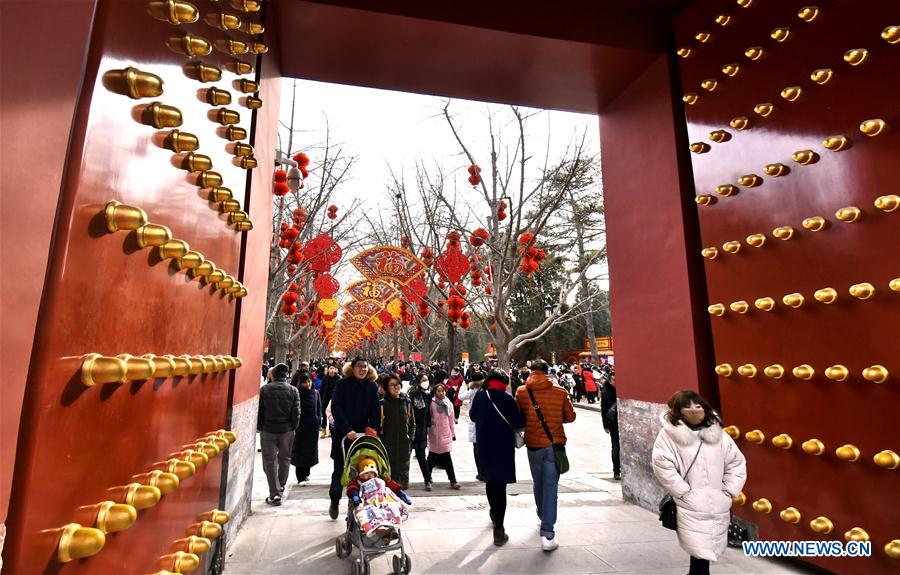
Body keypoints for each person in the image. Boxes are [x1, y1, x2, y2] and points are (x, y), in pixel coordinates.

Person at [652, 390, 747, 575]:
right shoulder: (668, 436)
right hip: (690, 501)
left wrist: (728, 490)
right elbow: (662, 464)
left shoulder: (718, 435)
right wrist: (684, 492)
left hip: (718, 500)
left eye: (697, 405)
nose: (694, 409)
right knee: (699, 545)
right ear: (677, 411)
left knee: (708, 543)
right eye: (687, 406)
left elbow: (736, 462)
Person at [516, 360, 576, 551]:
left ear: (531, 371)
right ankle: (548, 534)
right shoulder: (560, 392)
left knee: (538, 482)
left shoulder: (522, 392)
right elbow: (570, 417)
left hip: (533, 444)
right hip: (554, 445)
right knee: (551, 487)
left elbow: (519, 417)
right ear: (547, 372)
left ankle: (542, 513)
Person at [470, 370, 525, 546]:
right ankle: (499, 530)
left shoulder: (480, 396)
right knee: (500, 486)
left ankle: (494, 513)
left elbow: (472, 416)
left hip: (484, 446)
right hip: (503, 447)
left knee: (490, 481)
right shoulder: (507, 398)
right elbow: (518, 423)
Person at [329, 357, 381, 520]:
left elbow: (375, 410)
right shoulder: (342, 384)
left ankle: (359, 508)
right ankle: (335, 500)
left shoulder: (371, 386)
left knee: (364, 472)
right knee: (340, 471)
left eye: (365, 367)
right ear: (352, 368)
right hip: (344, 435)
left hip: (363, 437)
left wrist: (372, 428)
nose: (363, 369)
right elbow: (336, 408)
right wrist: (347, 429)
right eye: (359, 366)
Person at [257, 363, 301, 506]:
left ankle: (274, 493)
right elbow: (296, 413)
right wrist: (293, 427)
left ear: (273, 375)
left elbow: (260, 411)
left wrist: (260, 427)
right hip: (287, 430)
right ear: (286, 375)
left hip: (268, 430)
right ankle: (280, 486)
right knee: (285, 459)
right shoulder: (293, 390)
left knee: (269, 462)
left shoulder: (265, 390)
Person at [347, 457, 412, 545]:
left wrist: (399, 492)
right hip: (367, 504)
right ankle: (378, 530)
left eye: (372, 473)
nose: (369, 475)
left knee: (392, 508)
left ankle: (392, 530)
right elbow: (352, 488)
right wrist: (354, 495)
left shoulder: (381, 479)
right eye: (366, 473)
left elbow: (391, 484)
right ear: (360, 474)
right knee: (368, 512)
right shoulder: (357, 482)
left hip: (382, 502)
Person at [379, 373, 415, 489]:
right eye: (392, 385)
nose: (396, 387)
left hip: (404, 448)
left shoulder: (407, 402)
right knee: (389, 482)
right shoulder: (382, 404)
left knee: (403, 483)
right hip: (388, 448)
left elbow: (412, 424)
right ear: (386, 388)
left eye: (398, 384)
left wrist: (410, 438)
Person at [426, 383, 459, 490]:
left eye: (443, 391)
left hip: (445, 434)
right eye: (439, 391)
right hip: (434, 434)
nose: (441, 393)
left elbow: (451, 420)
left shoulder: (448, 403)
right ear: (435, 392)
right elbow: (428, 418)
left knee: (447, 459)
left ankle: (453, 480)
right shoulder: (431, 403)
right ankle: (428, 479)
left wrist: (452, 433)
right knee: (431, 459)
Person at [290, 372, 322, 484]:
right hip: (300, 428)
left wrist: (318, 421)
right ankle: (300, 477)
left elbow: (319, 408)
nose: (308, 384)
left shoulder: (316, 393)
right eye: (305, 382)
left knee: (310, 452)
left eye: (309, 381)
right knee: (300, 453)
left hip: (312, 428)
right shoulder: (297, 394)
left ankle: (307, 473)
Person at [457, 372, 485, 481]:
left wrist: (464, 385)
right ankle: (485, 472)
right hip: (485, 421)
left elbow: (460, 396)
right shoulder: (486, 390)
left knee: (477, 449)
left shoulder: (472, 391)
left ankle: (480, 473)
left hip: (475, 421)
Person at [408, 375, 433, 490]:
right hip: (411, 429)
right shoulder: (413, 394)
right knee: (406, 458)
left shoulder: (428, 393)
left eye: (427, 380)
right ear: (418, 382)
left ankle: (427, 479)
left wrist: (428, 425)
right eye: (423, 380)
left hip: (422, 429)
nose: (426, 382)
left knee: (421, 456)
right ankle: (402, 480)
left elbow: (427, 413)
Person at [599, 370, 620, 480]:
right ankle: (616, 471)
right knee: (616, 447)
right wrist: (605, 425)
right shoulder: (606, 392)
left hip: (622, 421)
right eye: (614, 380)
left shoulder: (621, 390)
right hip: (613, 423)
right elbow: (603, 409)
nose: (616, 382)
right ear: (610, 380)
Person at [319, 364, 340, 438]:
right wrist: (320, 399)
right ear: (328, 370)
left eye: (333, 368)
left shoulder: (338, 378)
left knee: (333, 416)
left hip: (334, 400)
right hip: (325, 399)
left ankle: (331, 431)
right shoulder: (325, 378)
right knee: (324, 415)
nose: (331, 370)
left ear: (335, 369)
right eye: (330, 368)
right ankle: (323, 430)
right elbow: (321, 390)